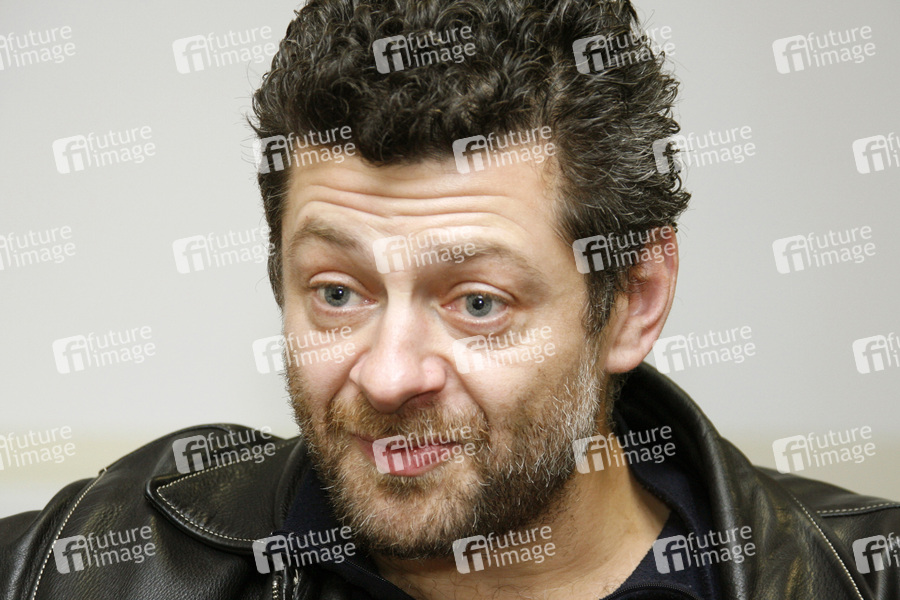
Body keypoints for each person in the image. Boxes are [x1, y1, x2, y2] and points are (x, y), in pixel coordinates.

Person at [3, 1, 898, 599]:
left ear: (633, 299)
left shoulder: (863, 574)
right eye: (338, 291)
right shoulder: (85, 567)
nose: (389, 376)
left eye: (477, 304)